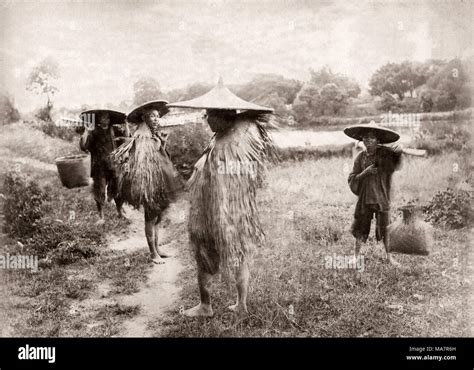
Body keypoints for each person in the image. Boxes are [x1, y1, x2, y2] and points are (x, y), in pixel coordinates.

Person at [168, 78, 276, 317]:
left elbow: (240, 179)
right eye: (206, 116)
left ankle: (237, 305)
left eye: (210, 116)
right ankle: (209, 305)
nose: (207, 121)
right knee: (211, 256)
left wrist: (221, 215)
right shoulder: (227, 136)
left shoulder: (235, 140)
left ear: (223, 115)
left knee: (234, 254)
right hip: (219, 212)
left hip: (226, 213)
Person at [111, 101, 183, 264]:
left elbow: (158, 153)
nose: (156, 119)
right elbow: (143, 161)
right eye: (152, 116)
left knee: (158, 217)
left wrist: (162, 143)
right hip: (150, 181)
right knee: (151, 217)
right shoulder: (142, 135)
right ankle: (153, 253)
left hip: (159, 178)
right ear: (144, 118)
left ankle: (157, 248)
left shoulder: (152, 133)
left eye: (158, 116)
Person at [344, 123, 403, 266]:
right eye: (365, 137)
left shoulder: (385, 155)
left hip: (381, 197)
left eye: (371, 138)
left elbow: (396, 165)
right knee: (360, 227)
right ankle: (356, 257)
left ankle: (389, 258)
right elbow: (352, 178)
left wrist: (398, 152)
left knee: (386, 228)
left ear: (377, 140)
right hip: (365, 197)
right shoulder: (360, 157)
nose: (368, 140)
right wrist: (365, 173)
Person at [77, 109, 129, 224]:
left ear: (110, 119)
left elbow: (126, 138)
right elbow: (84, 145)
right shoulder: (94, 131)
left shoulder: (114, 130)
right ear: (99, 119)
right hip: (99, 166)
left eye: (107, 117)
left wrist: (126, 124)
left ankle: (120, 212)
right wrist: (86, 130)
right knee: (99, 190)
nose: (105, 119)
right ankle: (101, 217)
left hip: (114, 165)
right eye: (103, 117)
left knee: (118, 188)